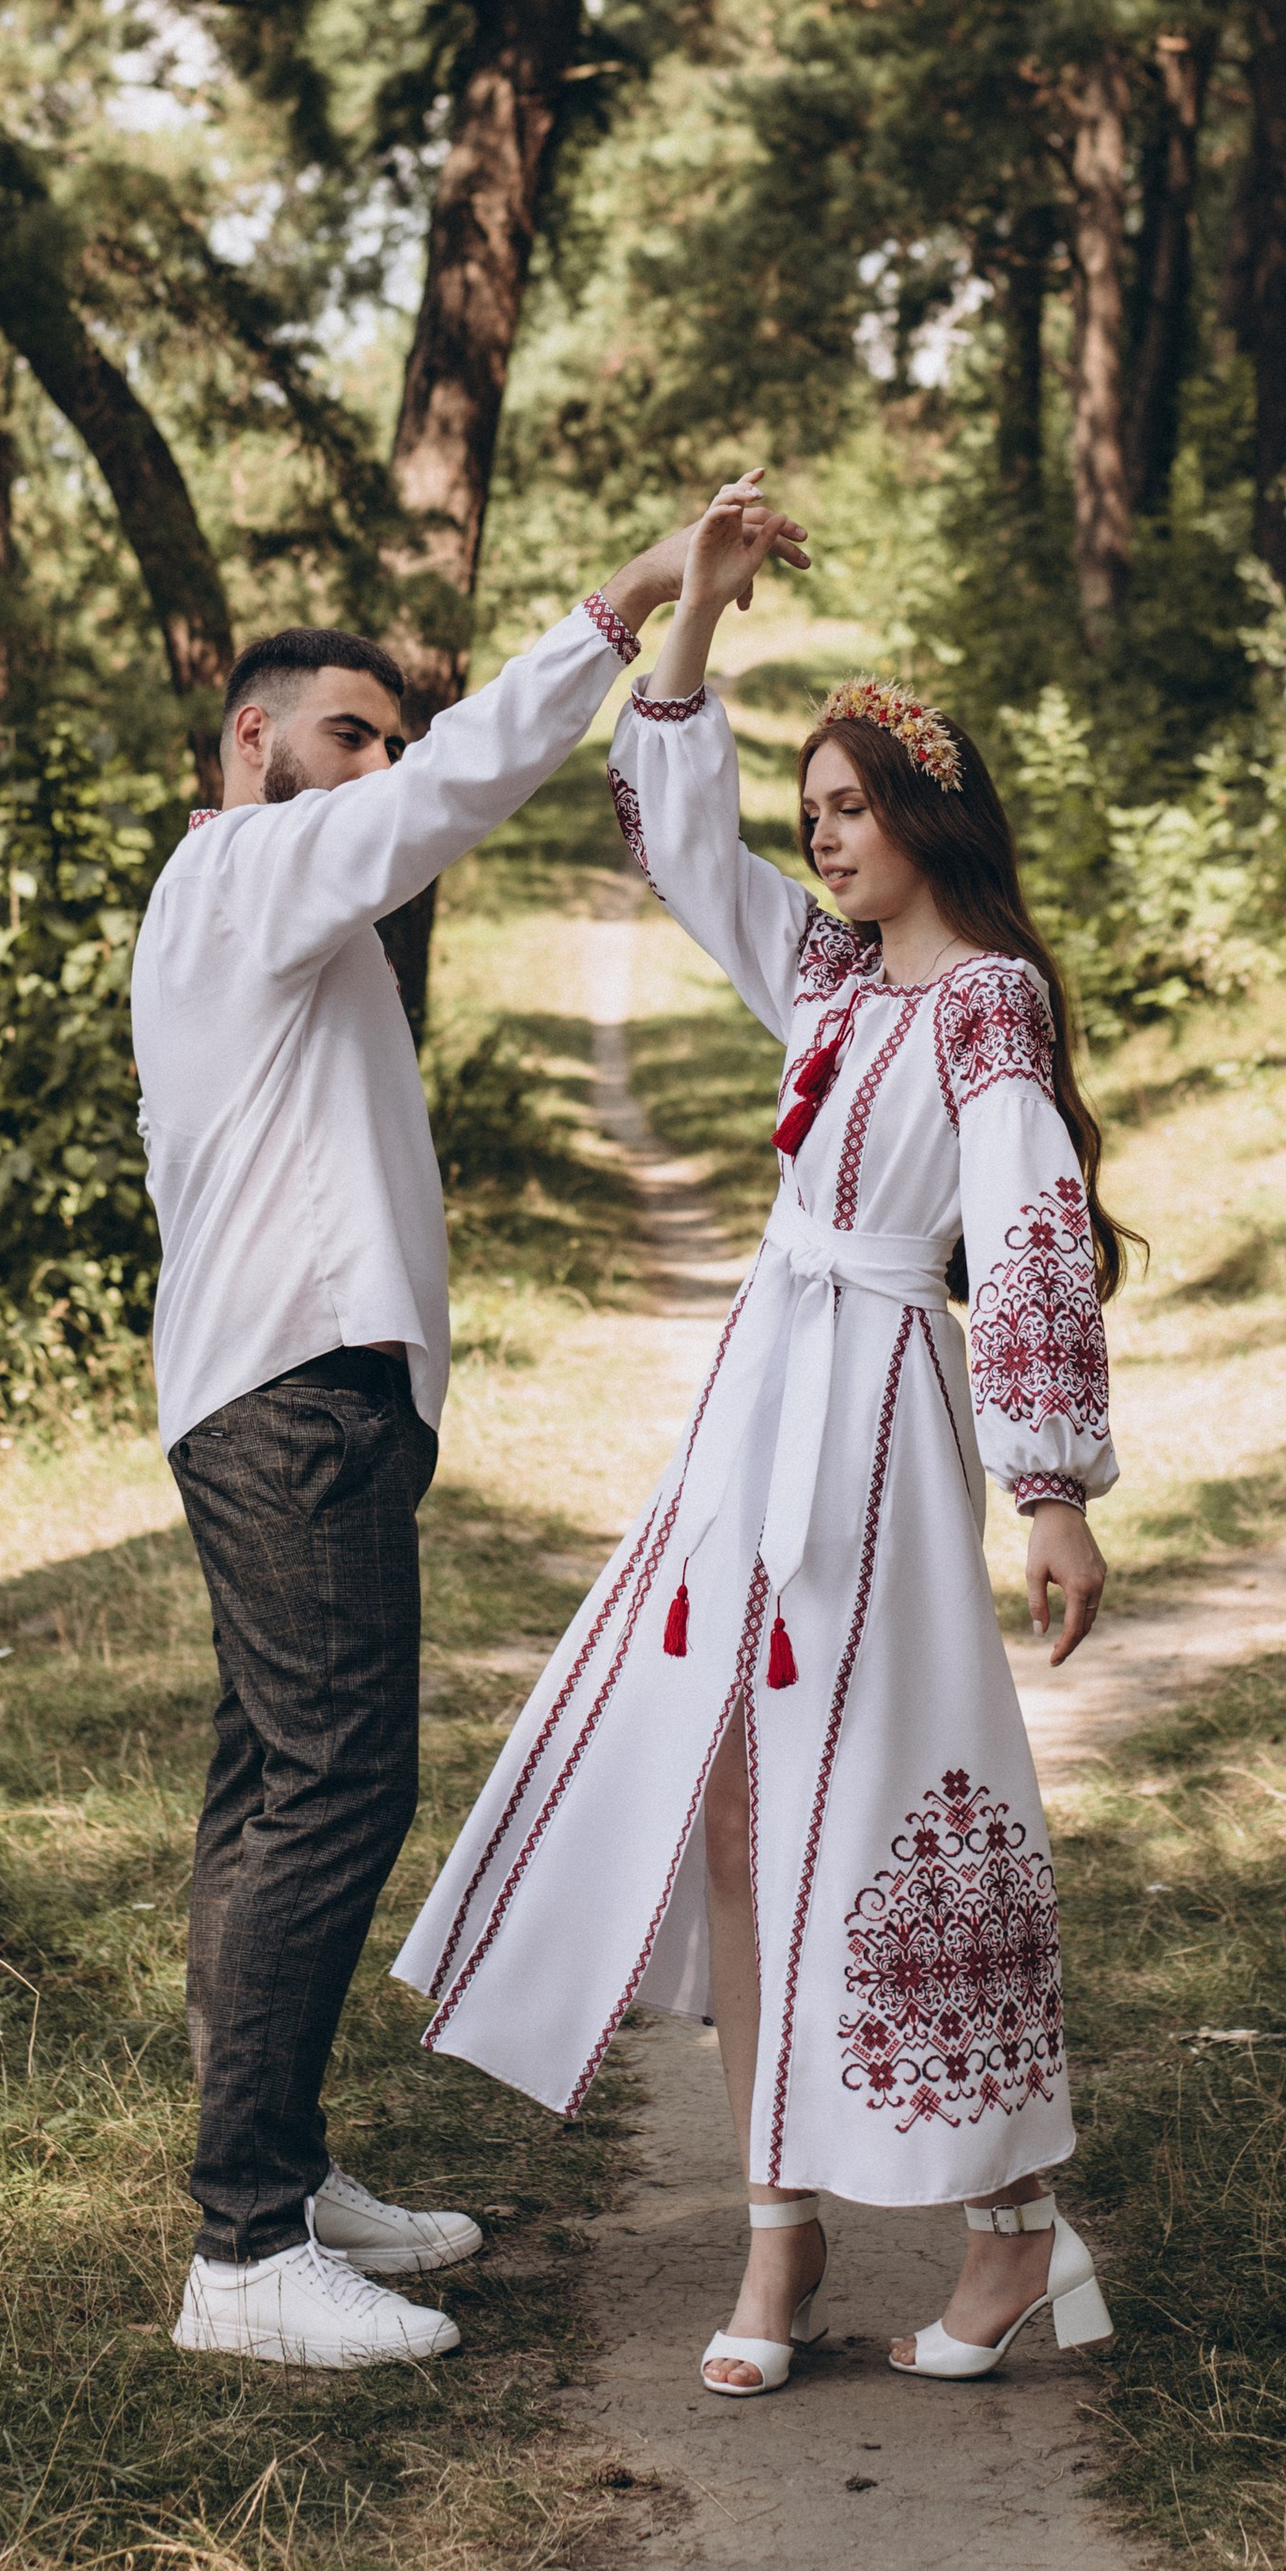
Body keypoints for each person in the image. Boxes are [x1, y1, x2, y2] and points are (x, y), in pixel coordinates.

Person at [395, 489, 1124, 2393]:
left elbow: (1034, 1233)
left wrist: (1049, 1496)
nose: (819, 836)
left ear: (927, 820)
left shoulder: (985, 1009)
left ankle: (1013, 2232)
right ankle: (780, 2238)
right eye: (811, 812)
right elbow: (675, 842)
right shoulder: (823, 979)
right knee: (729, 1799)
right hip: (758, 1408)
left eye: (850, 809)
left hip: (879, 1417)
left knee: (887, 1794)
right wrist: (692, 620)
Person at [134, 478, 808, 2374]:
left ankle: (277, 2171)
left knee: (268, 1794)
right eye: (350, 735)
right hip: (292, 1405)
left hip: (285, 1398)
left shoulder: (280, 923)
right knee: (336, 1788)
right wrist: (642, 596)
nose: (384, 770)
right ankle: (247, 2251)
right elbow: (454, 793)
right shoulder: (247, 869)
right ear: (255, 739)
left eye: (388, 740)